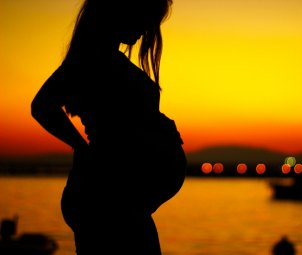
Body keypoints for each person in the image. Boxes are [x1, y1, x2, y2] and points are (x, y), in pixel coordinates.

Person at [31, 0, 187, 254]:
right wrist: (82, 149)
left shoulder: (107, 60)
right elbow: (42, 105)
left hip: (123, 201)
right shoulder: (90, 56)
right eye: (145, 17)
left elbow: (120, 116)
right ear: (120, 9)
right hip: (107, 201)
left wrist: (157, 125)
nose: (148, 28)